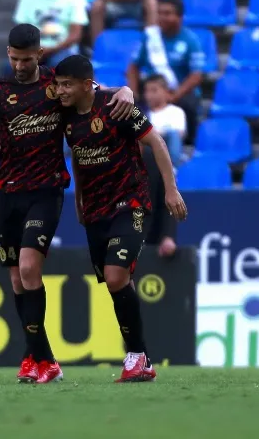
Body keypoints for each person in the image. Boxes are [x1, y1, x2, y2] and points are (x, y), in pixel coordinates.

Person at [0, 24, 135, 384]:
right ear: (8, 54)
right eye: (14, 58)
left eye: (26, 59)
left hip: (47, 190)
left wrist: (125, 89)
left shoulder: (58, 83)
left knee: (28, 267)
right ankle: (39, 357)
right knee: (17, 280)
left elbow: (99, 94)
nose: (20, 65)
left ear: (39, 54)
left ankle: (41, 360)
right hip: (8, 192)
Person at [53, 54, 186, 383]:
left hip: (131, 200)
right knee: (117, 283)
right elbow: (80, 160)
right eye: (58, 84)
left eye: (67, 85)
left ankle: (137, 356)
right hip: (96, 207)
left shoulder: (117, 107)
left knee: (115, 275)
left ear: (87, 85)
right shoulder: (66, 115)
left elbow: (156, 142)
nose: (61, 91)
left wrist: (171, 190)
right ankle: (140, 359)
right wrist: (79, 200)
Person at [127, 0, 204, 141]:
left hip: (178, 91)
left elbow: (196, 75)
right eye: (160, 13)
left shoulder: (190, 40)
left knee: (190, 104)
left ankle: (189, 144)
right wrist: (134, 92)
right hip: (151, 90)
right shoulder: (149, 37)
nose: (162, 17)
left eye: (167, 13)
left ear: (180, 17)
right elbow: (133, 67)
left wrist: (173, 96)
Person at [12, 0, 88, 71]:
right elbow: (21, 31)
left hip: (63, 49)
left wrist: (49, 50)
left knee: (57, 65)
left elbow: (75, 35)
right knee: (10, 67)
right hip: (33, 51)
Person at [142, 74, 186, 167]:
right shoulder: (142, 113)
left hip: (167, 150)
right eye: (146, 91)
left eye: (154, 90)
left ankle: (173, 168)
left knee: (173, 135)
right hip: (148, 151)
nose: (149, 95)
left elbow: (179, 134)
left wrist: (154, 135)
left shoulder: (176, 111)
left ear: (166, 91)